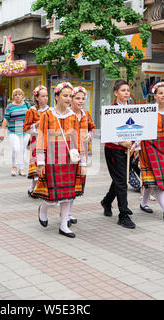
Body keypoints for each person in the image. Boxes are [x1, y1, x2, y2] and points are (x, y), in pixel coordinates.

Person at [33, 82, 85, 238]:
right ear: (56, 97)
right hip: (52, 158)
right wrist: (41, 162)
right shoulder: (47, 115)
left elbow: (78, 140)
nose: (68, 98)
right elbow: (41, 137)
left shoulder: (73, 116)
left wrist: (82, 162)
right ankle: (43, 208)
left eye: (70, 95)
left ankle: (64, 225)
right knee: (52, 197)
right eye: (65, 95)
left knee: (68, 194)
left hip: (69, 159)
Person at [139, 82, 164, 220]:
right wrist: (135, 145)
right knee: (157, 177)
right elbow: (141, 128)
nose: (163, 96)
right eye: (160, 93)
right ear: (155, 95)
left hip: (163, 146)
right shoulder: (148, 110)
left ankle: (143, 203)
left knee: (154, 177)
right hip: (149, 144)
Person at [100, 80, 137, 229]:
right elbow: (107, 132)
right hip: (114, 150)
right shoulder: (110, 110)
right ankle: (123, 214)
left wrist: (135, 144)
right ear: (116, 93)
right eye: (123, 90)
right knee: (122, 181)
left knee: (121, 179)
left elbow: (137, 129)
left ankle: (107, 201)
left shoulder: (133, 109)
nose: (126, 93)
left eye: (128, 90)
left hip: (129, 150)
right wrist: (121, 143)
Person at [68, 86, 95, 226]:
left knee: (78, 181)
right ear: (71, 99)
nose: (80, 101)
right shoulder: (66, 114)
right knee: (68, 181)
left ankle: (69, 212)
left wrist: (90, 136)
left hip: (82, 153)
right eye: (77, 98)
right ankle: (64, 213)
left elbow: (92, 128)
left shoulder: (86, 114)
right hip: (67, 154)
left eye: (83, 98)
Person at [24, 85, 49, 198]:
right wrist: (36, 125)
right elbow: (26, 128)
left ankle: (41, 189)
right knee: (37, 165)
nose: (45, 98)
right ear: (37, 98)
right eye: (43, 96)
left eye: (47, 96)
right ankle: (33, 188)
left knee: (47, 165)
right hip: (36, 141)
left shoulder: (50, 111)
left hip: (48, 142)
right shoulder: (31, 111)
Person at [0, 88, 30, 176]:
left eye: (19, 94)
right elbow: (5, 119)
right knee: (16, 149)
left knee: (23, 149)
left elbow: (32, 116)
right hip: (13, 130)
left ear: (22, 96)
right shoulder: (10, 106)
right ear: (13, 97)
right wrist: (2, 132)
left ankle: (22, 168)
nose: (17, 96)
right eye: (15, 95)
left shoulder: (27, 105)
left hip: (25, 130)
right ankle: (14, 167)